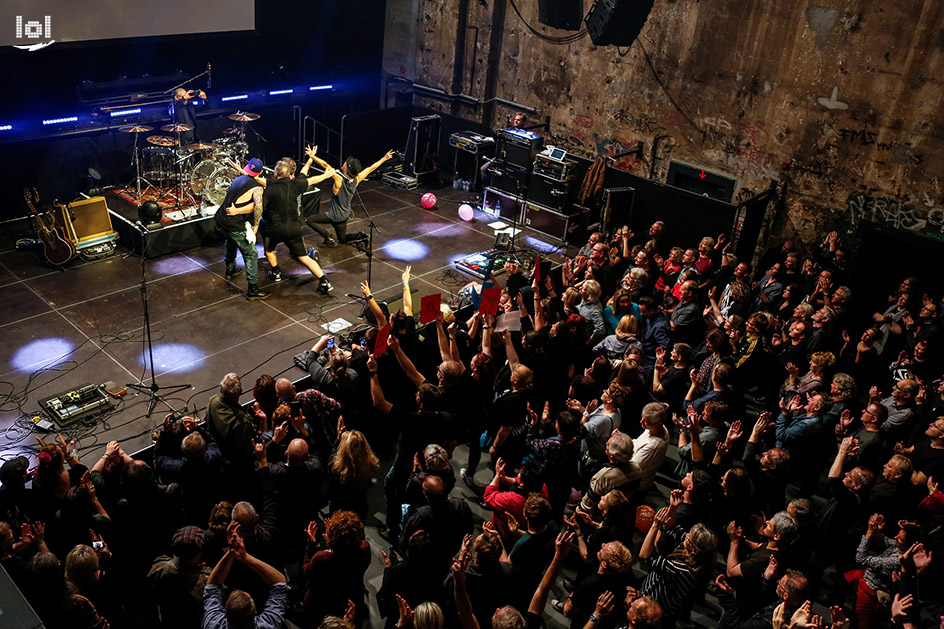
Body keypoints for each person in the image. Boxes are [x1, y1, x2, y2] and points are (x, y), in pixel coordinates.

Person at [260, 156, 336, 294]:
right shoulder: (295, 184)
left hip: (276, 229)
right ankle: (324, 280)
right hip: (294, 228)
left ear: (275, 173)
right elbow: (313, 180)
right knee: (304, 257)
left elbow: (261, 209)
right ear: (289, 174)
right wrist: (326, 175)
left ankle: (276, 272)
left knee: (269, 249)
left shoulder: (270, 190)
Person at [202, 521, 288, 629]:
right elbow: (280, 583)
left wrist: (231, 552)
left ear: (225, 614)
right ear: (255, 613)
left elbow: (212, 586)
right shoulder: (268, 625)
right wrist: (244, 556)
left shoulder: (213, 625)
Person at [306, 145, 396, 247]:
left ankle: (328, 237)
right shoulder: (357, 179)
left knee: (309, 220)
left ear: (346, 170)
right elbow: (371, 168)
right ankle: (362, 236)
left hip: (334, 216)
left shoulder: (339, 180)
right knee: (342, 239)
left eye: (345, 164)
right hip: (344, 215)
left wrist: (313, 157)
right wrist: (385, 158)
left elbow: (325, 165)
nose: (344, 163)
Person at [215, 157, 270, 300]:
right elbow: (258, 206)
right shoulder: (257, 188)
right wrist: (256, 225)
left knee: (231, 240)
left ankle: (230, 268)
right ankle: (252, 289)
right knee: (251, 253)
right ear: (261, 172)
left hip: (221, 218)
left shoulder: (238, 179)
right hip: (233, 222)